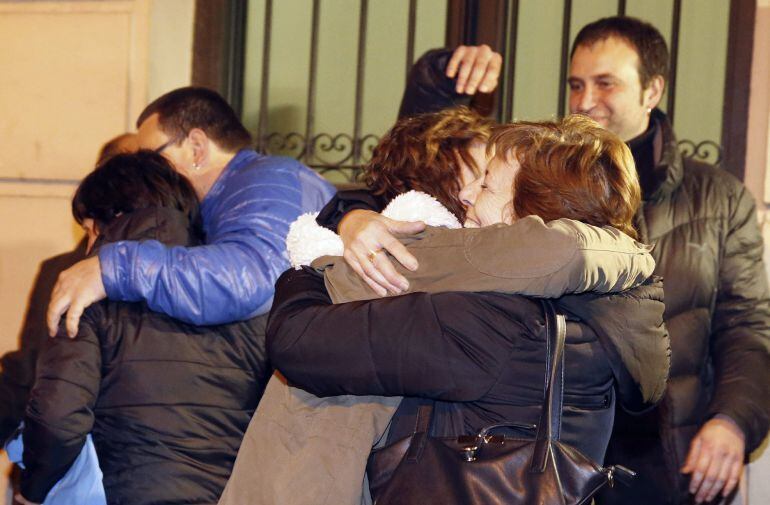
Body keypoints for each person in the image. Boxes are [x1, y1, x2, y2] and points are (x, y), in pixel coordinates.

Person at [265, 115, 670, 503]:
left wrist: (309, 268)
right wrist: (353, 216)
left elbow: (297, 341)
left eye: (487, 185)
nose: (465, 193)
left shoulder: (490, 323)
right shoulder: (598, 311)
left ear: (533, 214)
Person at [566, 17, 770, 505]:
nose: (584, 101)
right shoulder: (546, 187)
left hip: (672, 462)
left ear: (652, 90)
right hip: (562, 458)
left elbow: (746, 328)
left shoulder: (720, 198)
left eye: (605, 83)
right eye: (575, 84)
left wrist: (732, 421)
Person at [19, 151, 272, 505]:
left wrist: (33, 488)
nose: (88, 246)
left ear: (113, 218)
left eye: (89, 230)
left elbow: (57, 418)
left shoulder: (85, 296)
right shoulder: (237, 294)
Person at [46, 87, 336, 337]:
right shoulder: (230, 194)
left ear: (196, 148)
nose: (142, 171)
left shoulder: (270, 180)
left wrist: (115, 269)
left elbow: (249, 279)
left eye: (151, 158)